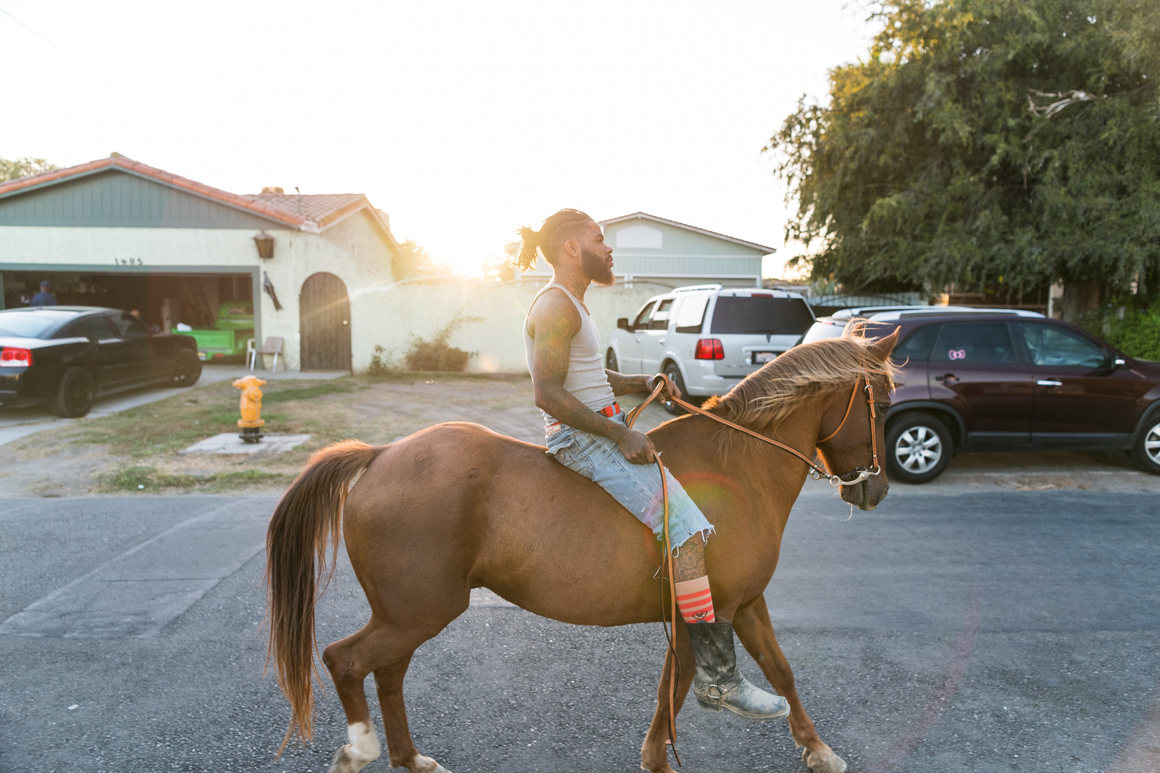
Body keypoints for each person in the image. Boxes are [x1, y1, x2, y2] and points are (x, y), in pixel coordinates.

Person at [518, 208, 787, 721]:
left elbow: (586, 377)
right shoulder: (556, 306)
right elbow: (546, 392)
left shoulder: (572, 302)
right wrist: (620, 433)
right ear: (573, 248)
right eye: (600, 239)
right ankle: (717, 679)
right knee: (686, 529)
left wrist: (638, 383)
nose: (609, 247)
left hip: (593, 429)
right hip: (582, 440)